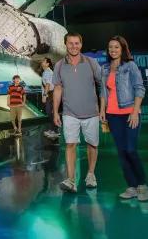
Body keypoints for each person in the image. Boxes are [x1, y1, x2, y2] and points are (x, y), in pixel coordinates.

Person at [99, 35, 147, 200]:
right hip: (113, 115)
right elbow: (103, 92)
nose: (113, 50)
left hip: (129, 114)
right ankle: (131, 186)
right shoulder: (104, 68)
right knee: (121, 152)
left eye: (116, 47)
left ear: (123, 49)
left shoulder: (130, 65)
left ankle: (142, 185)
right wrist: (102, 110)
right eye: (111, 47)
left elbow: (140, 89)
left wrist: (135, 112)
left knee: (131, 150)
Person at [53, 32, 102, 192]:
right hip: (69, 113)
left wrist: (103, 109)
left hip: (91, 113)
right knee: (70, 144)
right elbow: (58, 89)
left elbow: (102, 86)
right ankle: (71, 179)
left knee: (92, 145)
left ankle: (90, 174)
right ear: (65, 44)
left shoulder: (92, 62)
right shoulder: (59, 65)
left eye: (77, 43)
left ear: (81, 44)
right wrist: (55, 111)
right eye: (70, 43)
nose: (74, 46)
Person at [41, 58, 59, 139]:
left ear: (47, 64)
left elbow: (48, 84)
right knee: (50, 112)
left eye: (43, 61)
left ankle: (55, 131)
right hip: (49, 94)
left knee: (50, 112)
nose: (41, 62)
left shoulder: (48, 72)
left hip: (50, 95)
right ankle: (53, 129)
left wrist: (44, 95)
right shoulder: (46, 72)